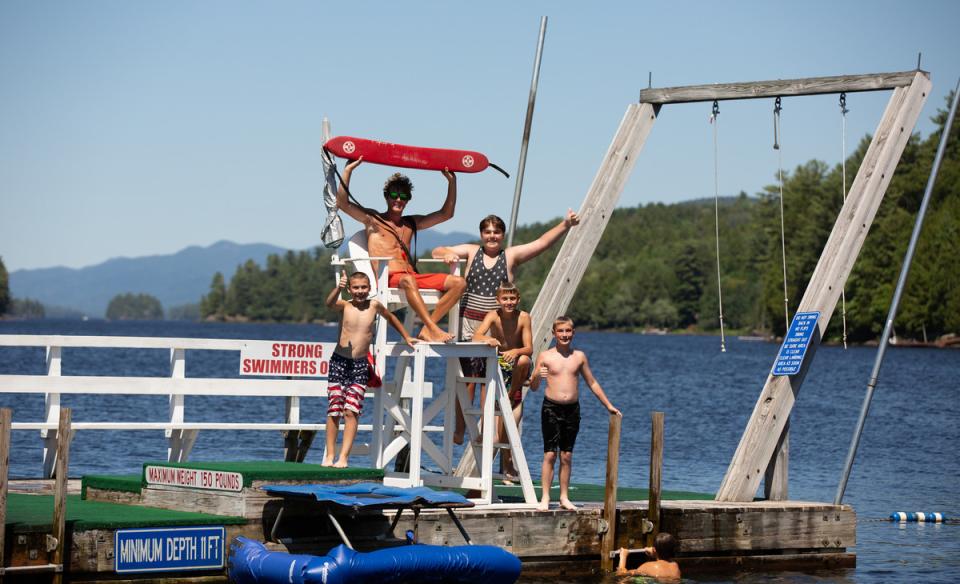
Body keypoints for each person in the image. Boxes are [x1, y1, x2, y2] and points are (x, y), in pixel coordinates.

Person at [432, 210, 580, 443]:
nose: (492, 236)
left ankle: (483, 429)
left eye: (496, 232)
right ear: (481, 234)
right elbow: (437, 250)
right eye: (487, 232)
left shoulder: (509, 256)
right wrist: (448, 255)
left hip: (494, 326)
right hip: (469, 324)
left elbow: (541, 243)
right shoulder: (472, 251)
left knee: (488, 381)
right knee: (467, 379)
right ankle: (460, 429)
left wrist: (565, 225)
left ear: (503, 234)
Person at [336, 158, 465, 342]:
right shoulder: (373, 219)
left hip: (410, 277)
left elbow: (446, 214)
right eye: (394, 195)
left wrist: (452, 182)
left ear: (408, 200)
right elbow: (343, 204)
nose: (398, 199)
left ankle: (429, 329)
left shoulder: (411, 223)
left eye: (403, 196)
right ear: (386, 196)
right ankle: (432, 328)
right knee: (407, 279)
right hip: (389, 277)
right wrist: (348, 170)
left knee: (459, 283)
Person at [323, 271, 417, 467]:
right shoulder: (345, 305)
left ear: (370, 289)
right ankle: (330, 455)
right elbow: (329, 303)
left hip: (359, 365)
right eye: (356, 288)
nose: (360, 291)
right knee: (334, 410)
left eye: (363, 287)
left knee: (351, 411)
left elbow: (391, 318)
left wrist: (406, 336)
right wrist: (338, 289)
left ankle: (343, 457)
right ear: (350, 289)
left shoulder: (374, 306)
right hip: (339, 362)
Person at [529, 316, 620, 511]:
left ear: (573, 333)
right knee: (550, 454)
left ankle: (564, 497)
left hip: (572, 409)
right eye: (560, 331)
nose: (564, 335)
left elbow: (592, 382)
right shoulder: (545, 356)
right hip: (551, 408)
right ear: (554, 334)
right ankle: (545, 497)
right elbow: (534, 386)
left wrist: (608, 405)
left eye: (568, 331)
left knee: (567, 455)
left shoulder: (579, 356)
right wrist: (537, 375)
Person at [470, 282, 532, 480]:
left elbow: (529, 348)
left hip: (516, 369)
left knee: (524, 359)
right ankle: (506, 464)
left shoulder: (524, 317)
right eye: (505, 299)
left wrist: (516, 350)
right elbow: (476, 335)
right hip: (498, 367)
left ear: (518, 299)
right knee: (502, 423)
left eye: (512, 298)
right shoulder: (493, 315)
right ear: (498, 301)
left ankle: (511, 393)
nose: (509, 302)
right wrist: (486, 339)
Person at [617, 533, 681, 581]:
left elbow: (621, 575)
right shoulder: (675, 565)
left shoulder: (647, 566)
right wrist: (654, 555)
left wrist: (623, 556)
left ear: (654, 549)